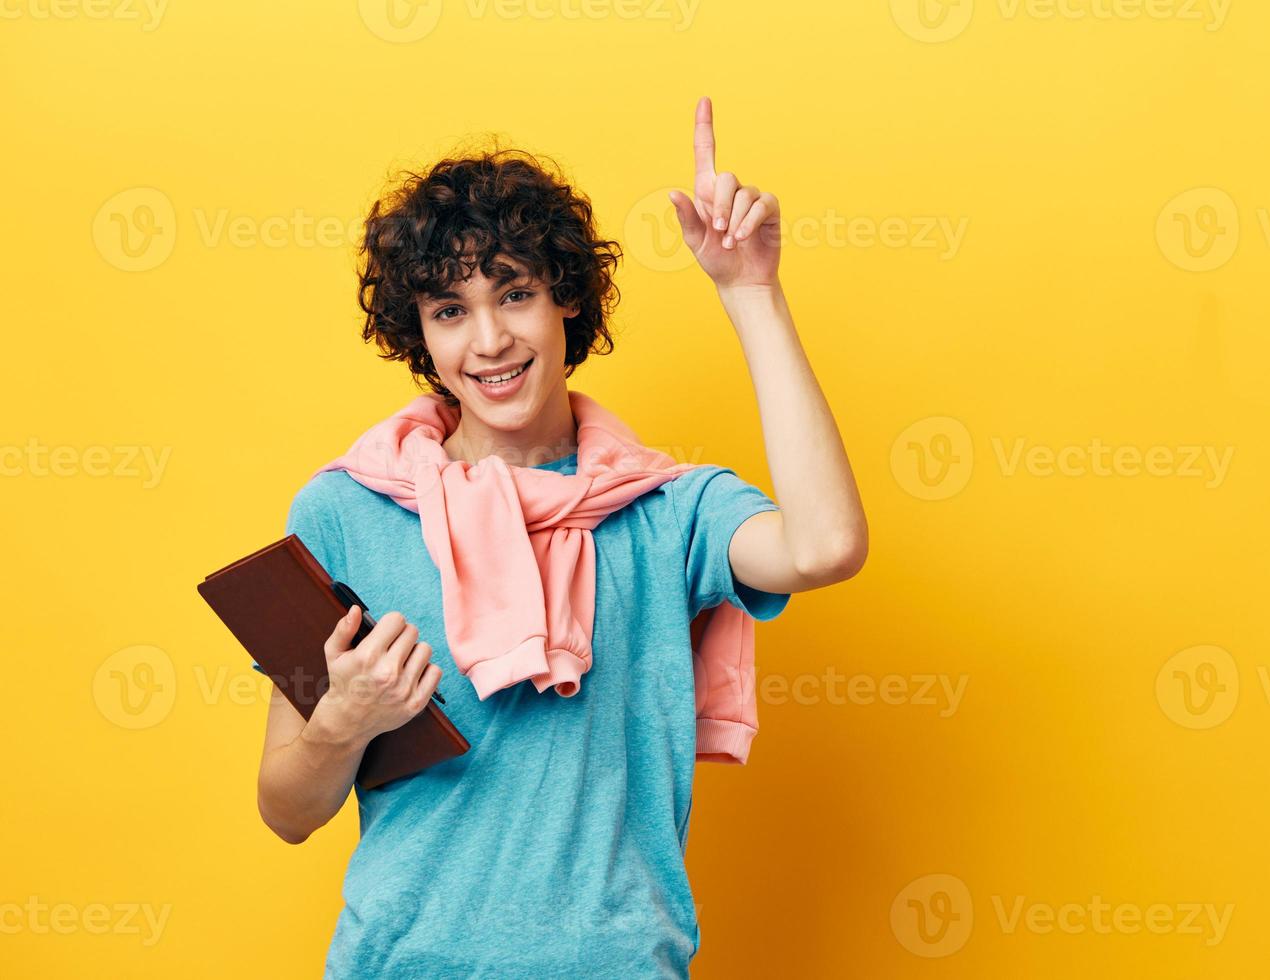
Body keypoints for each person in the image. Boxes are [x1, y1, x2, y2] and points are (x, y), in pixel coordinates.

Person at [255, 96, 868, 978]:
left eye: (515, 293)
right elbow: (287, 809)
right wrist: (342, 722)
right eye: (450, 310)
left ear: (565, 300)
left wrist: (751, 292)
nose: (491, 339)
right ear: (419, 335)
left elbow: (826, 546)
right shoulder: (343, 513)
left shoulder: (667, 512)